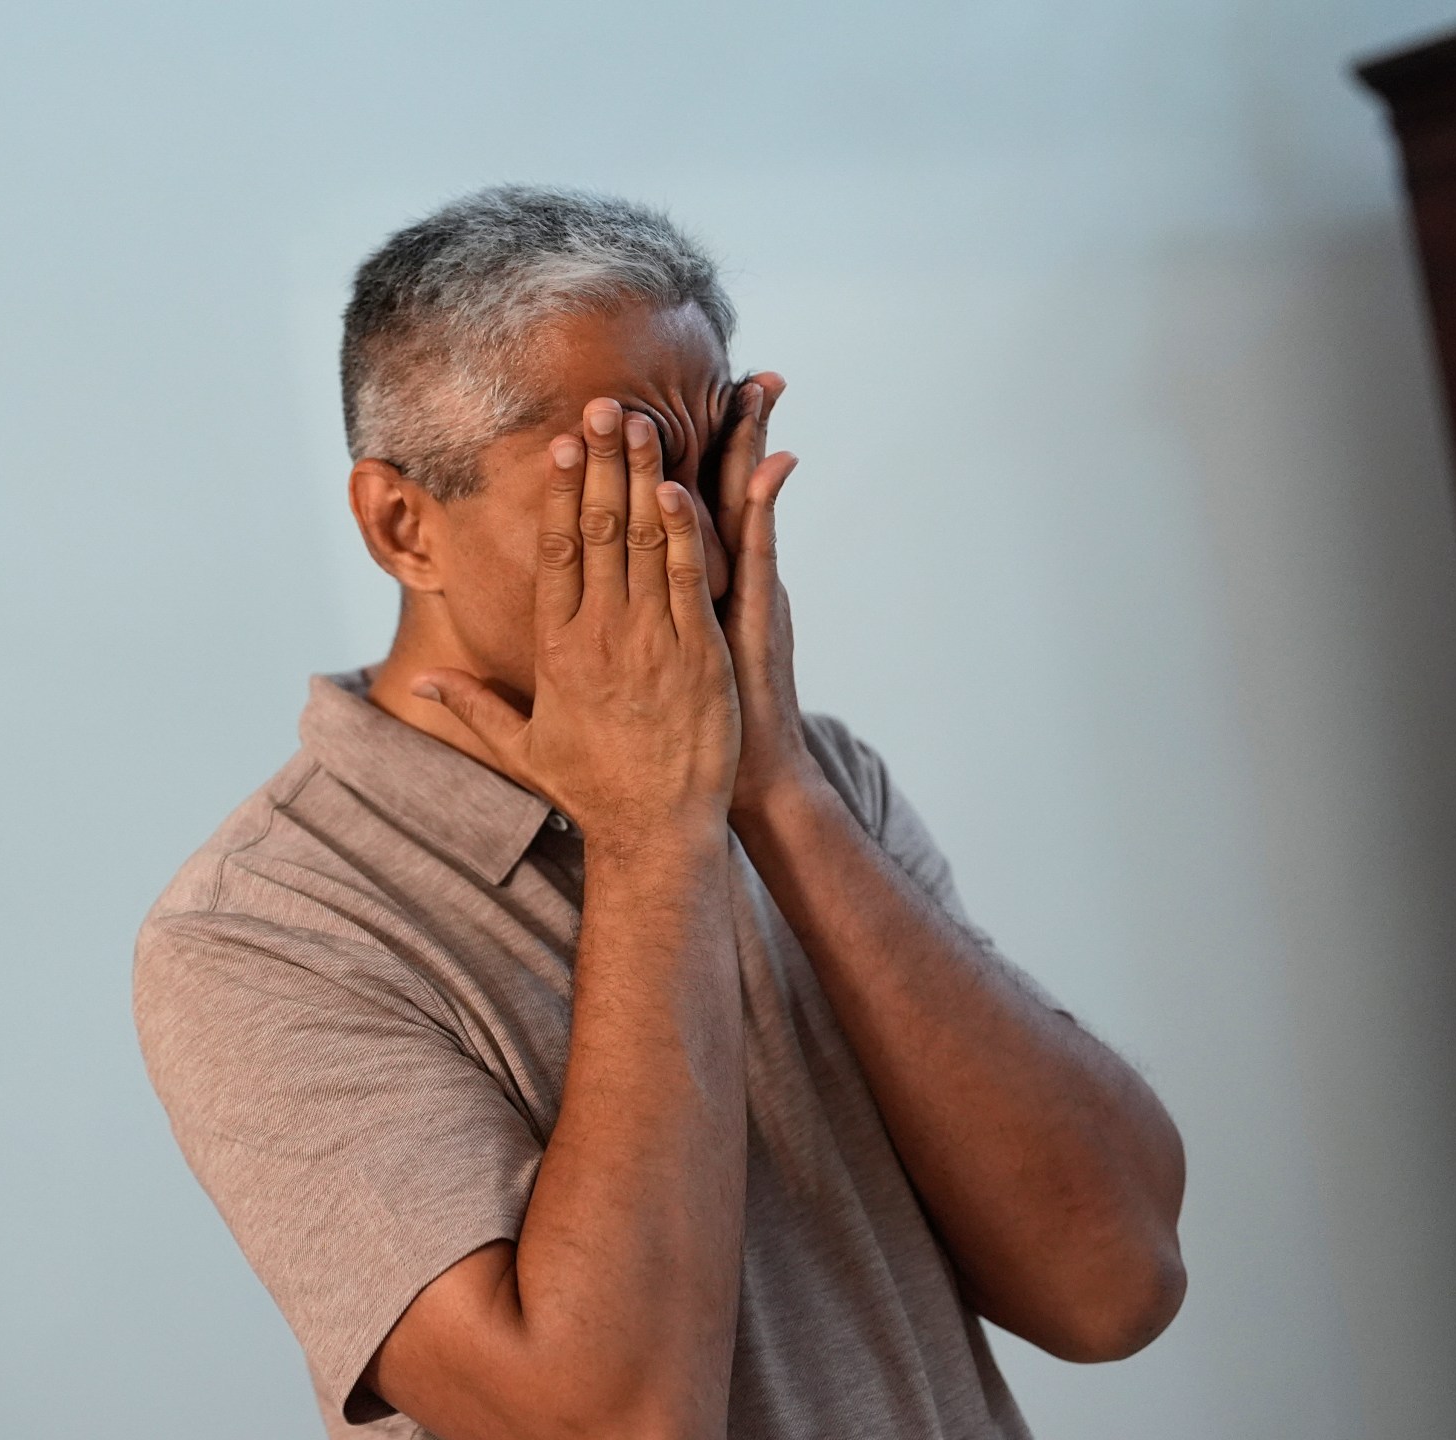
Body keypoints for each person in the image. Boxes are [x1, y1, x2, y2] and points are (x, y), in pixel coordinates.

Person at [130, 187, 1188, 1440]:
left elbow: (1112, 1285)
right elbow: (616, 1420)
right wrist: (650, 836)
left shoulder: (811, 779)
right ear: (402, 524)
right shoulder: (261, 936)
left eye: (707, 467)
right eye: (623, 475)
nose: (697, 539)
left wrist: (775, 791)